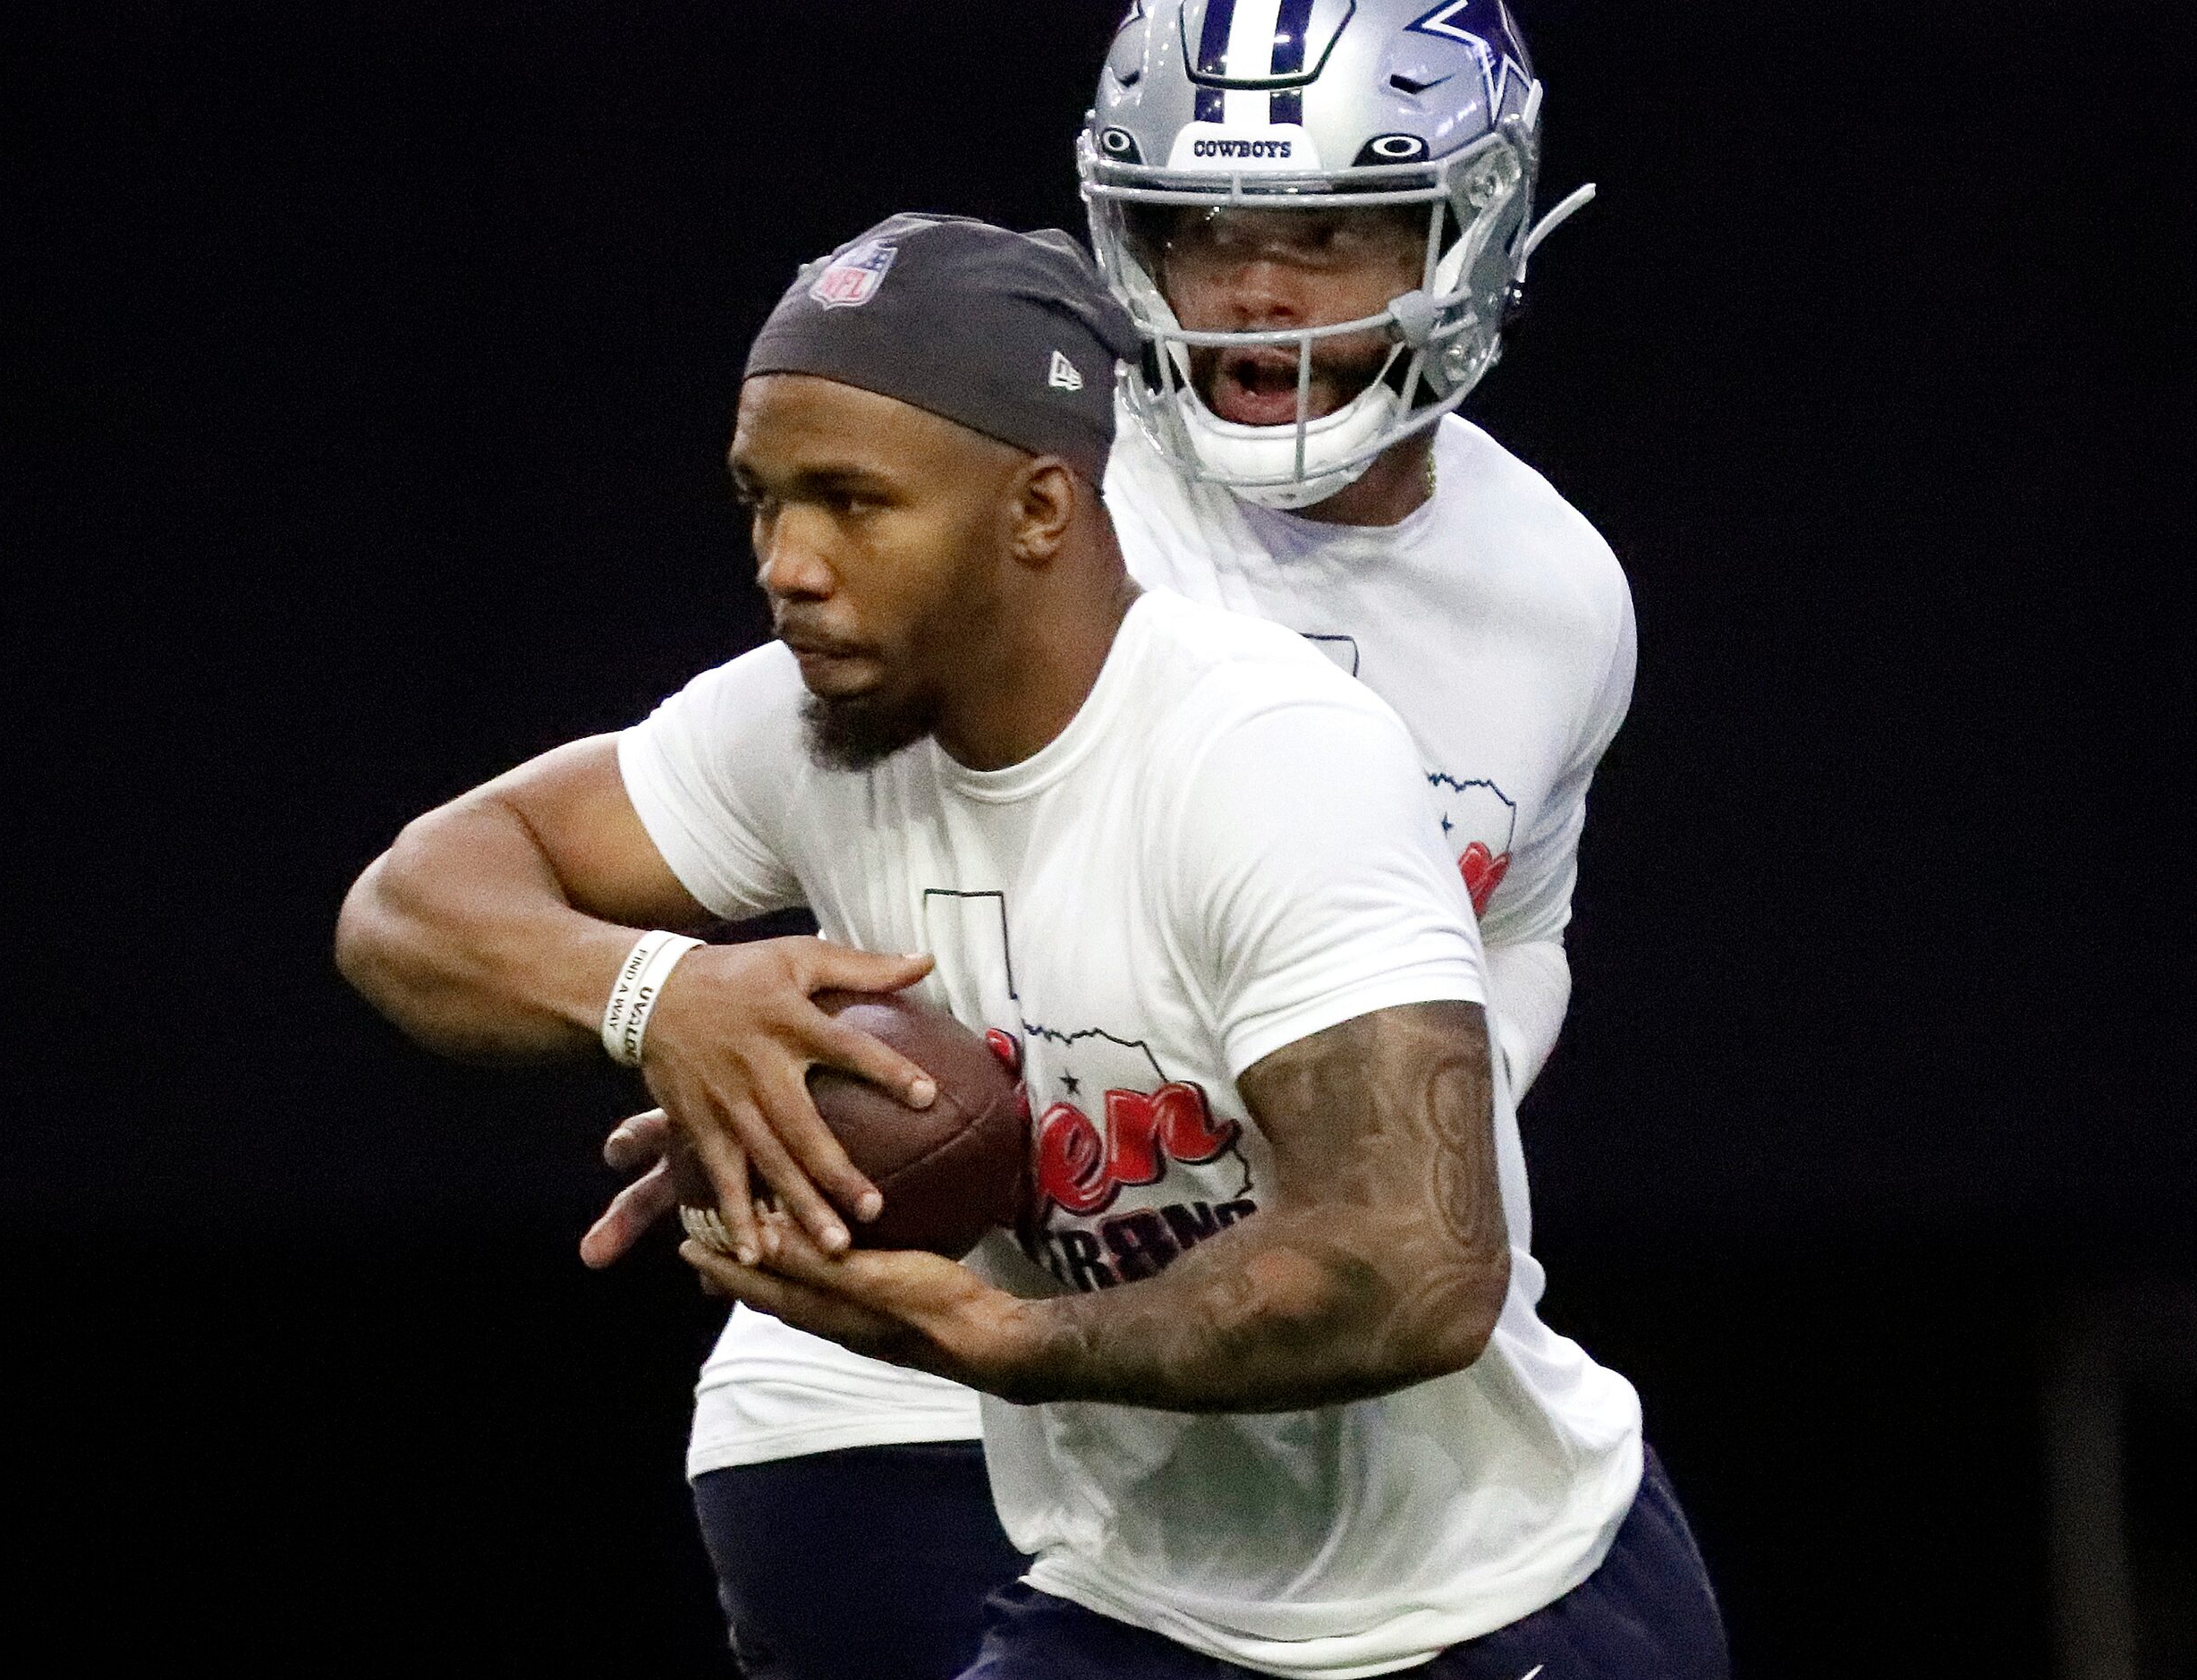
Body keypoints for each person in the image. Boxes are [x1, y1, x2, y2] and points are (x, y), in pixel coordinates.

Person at [337, 214, 1725, 1676]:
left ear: (1043, 511)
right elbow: (411, 900)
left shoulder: (1268, 755)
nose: (787, 565)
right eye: (763, 502)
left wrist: (1013, 1343)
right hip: (1141, 1587)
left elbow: (1422, 1268)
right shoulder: (803, 725)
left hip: (1491, 1600)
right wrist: (661, 993)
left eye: (852, 503)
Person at [583, 5, 1652, 1675]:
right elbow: (528, 854)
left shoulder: (1560, 589)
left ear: (1475, 224)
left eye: (1323, 227)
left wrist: (1337, 1145)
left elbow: (1513, 924)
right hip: (892, 1380)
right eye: (1201, 230)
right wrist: (675, 997)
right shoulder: (1039, 497)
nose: (1254, 292)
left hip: (1247, 1390)